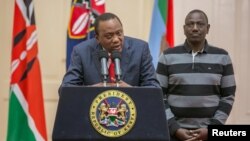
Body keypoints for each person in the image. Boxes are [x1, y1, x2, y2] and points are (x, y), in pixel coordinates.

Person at [156, 9, 236, 141]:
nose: (195, 28)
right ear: (184, 29)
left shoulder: (222, 57)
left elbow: (228, 96)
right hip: (173, 134)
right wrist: (175, 129)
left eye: (200, 24)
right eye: (190, 24)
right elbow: (158, 96)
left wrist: (213, 129)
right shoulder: (167, 56)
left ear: (208, 28)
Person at [59, 12, 159, 90]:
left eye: (119, 33)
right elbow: (66, 89)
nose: (116, 39)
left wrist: (130, 89)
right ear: (97, 38)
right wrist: (94, 89)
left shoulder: (140, 49)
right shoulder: (81, 52)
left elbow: (154, 87)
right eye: (109, 36)